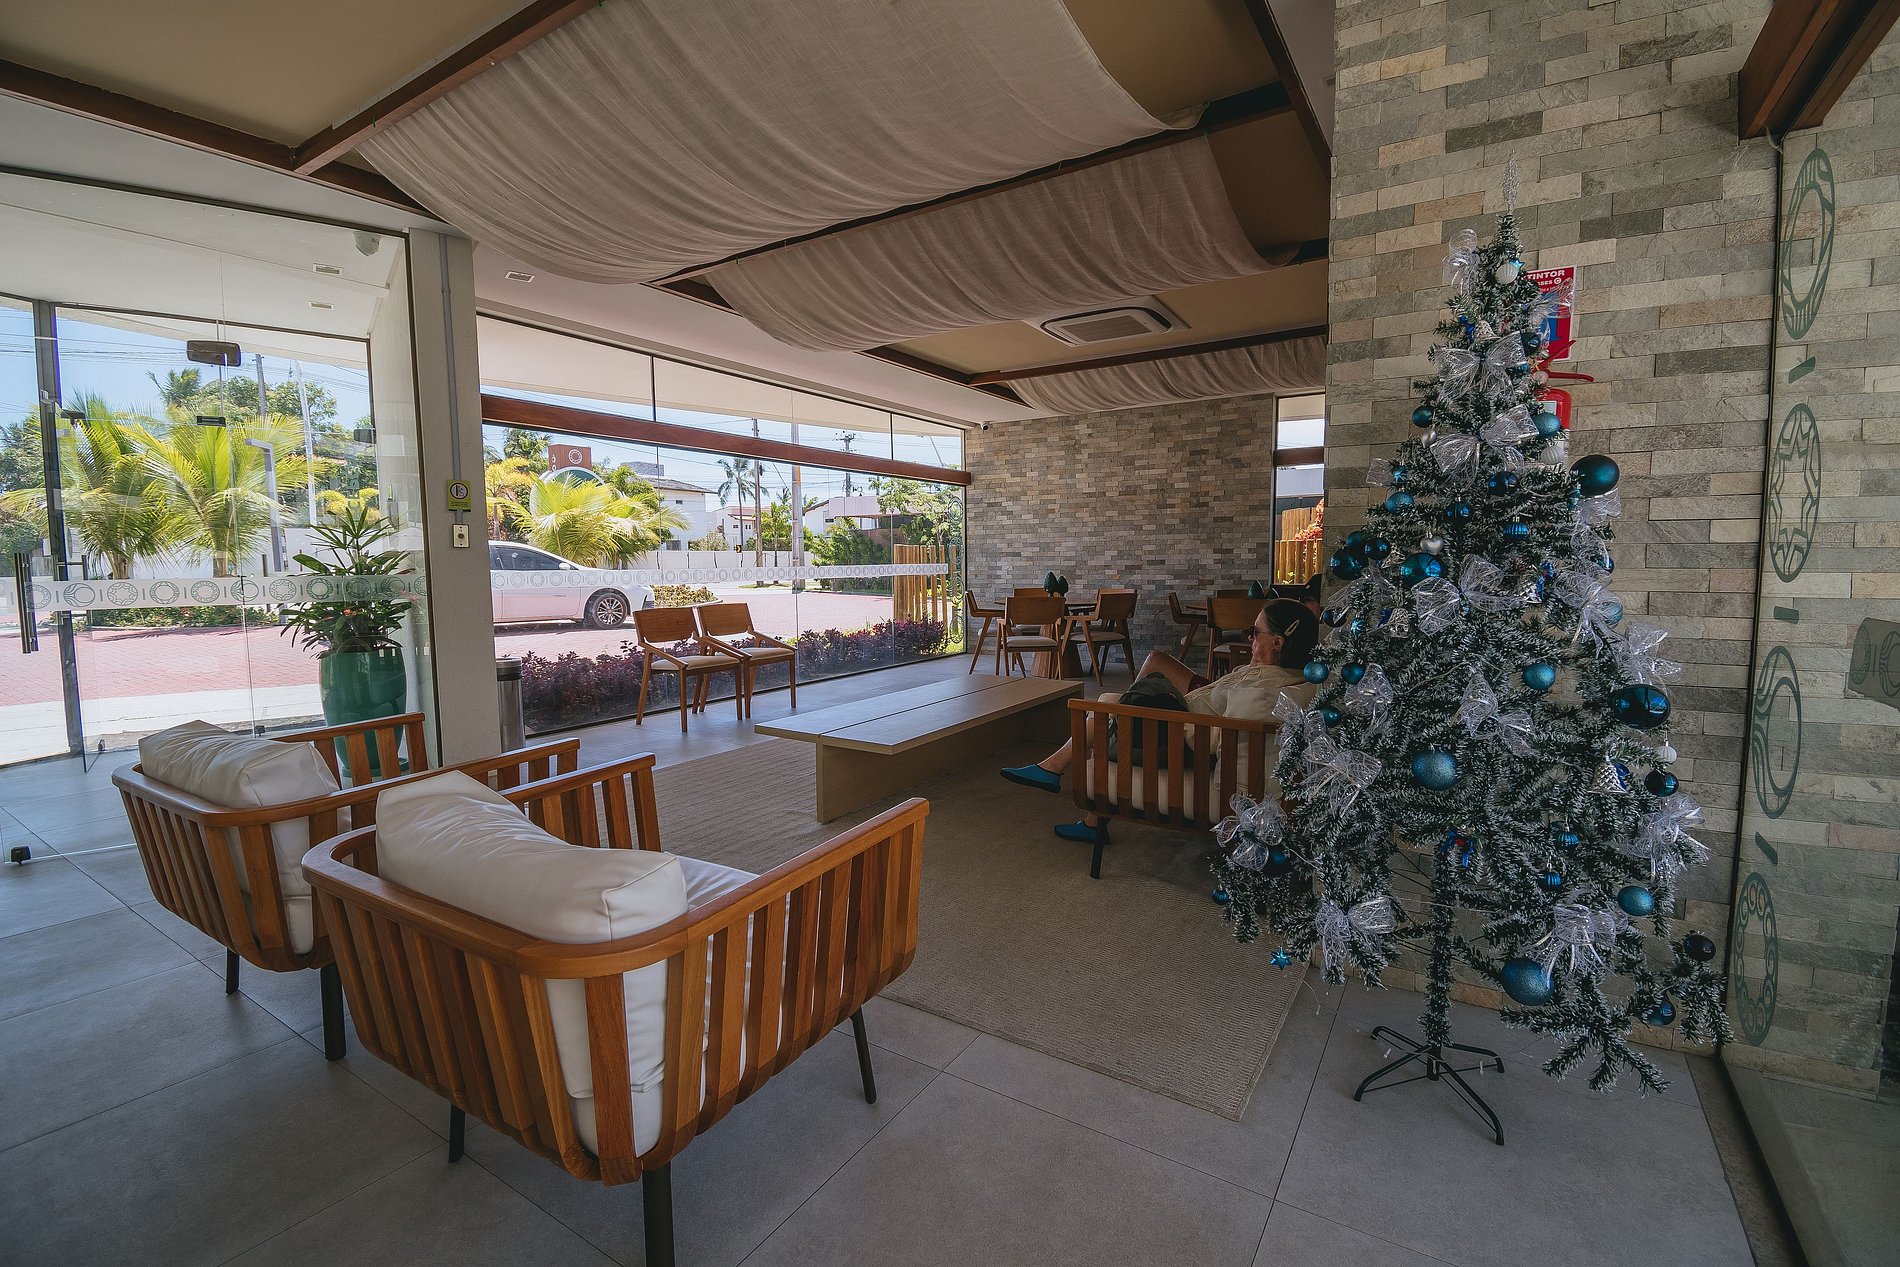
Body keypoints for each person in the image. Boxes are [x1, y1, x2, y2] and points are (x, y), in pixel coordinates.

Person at [1001, 599, 1322, 846]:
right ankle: (1075, 798)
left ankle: (1059, 777)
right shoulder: (1283, 678)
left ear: (1278, 642)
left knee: (1111, 705)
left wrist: (1169, 713)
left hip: (1184, 743)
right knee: (1115, 701)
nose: (1250, 638)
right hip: (1189, 725)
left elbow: (1211, 739)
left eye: (1255, 632)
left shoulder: (1259, 691)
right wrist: (1257, 661)